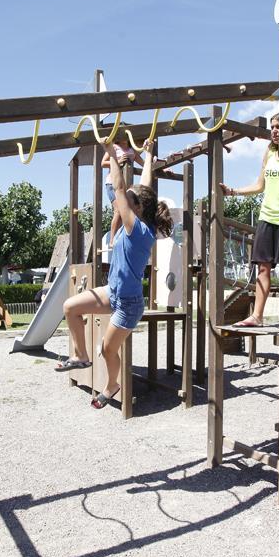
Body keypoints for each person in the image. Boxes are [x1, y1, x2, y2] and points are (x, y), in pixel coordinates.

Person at [57, 139, 173, 409]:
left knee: (109, 349)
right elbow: (143, 189)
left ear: (136, 209)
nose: (120, 201)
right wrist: (148, 153)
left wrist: (110, 152)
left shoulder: (139, 230)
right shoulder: (136, 218)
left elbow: (121, 188)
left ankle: (112, 385)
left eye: (126, 201)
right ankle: (81, 356)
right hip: (113, 292)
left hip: (129, 304)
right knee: (70, 307)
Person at [219, 114, 279, 327]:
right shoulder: (269, 151)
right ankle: (257, 316)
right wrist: (233, 191)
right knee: (263, 268)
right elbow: (260, 185)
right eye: (272, 127)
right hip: (267, 216)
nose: (275, 131)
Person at [106, 132, 147, 253]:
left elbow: (145, 164)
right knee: (118, 210)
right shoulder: (114, 147)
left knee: (129, 211)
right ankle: (112, 240)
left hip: (125, 184)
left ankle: (123, 236)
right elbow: (103, 163)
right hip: (112, 183)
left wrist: (163, 167)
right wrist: (117, 161)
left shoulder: (131, 150)